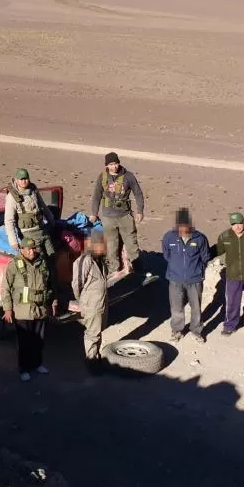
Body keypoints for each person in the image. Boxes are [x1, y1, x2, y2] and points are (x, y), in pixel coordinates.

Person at [1, 237, 56, 381]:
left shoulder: (42, 262)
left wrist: (52, 302)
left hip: (40, 309)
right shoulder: (15, 264)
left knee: (39, 340)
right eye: (29, 249)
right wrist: (7, 309)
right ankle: (23, 368)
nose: (32, 251)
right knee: (24, 342)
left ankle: (37, 364)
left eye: (34, 248)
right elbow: (5, 287)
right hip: (22, 311)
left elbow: (49, 284)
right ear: (22, 250)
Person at [88, 152, 149, 279]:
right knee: (111, 245)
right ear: (107, 165)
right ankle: (114, 270)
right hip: (108, 217)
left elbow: (138, 193)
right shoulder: (102, 177)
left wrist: (140, 211)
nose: (114, 166)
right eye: (111, 164)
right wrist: (94, 214)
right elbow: (96, 196)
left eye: (115, 163)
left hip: (125, 216)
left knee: (131, 243)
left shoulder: (128, 176)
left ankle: (138, 269)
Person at [161, 208, 210, 343]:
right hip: (175, 279)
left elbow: (205, 257)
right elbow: (166, 255)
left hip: (194, 279)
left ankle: (196, 331)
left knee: (196, 307)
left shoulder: (200, 238)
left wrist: (198, 270)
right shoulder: (169, 237)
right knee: (176, 307)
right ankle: (177, 331)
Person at [71, 230, 110, 369]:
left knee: (98, 331)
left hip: (101, 303)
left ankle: (96, 355)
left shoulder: (99, 260)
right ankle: (91, 361)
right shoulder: (84, 261)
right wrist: (83, 300)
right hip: (92, 304)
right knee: (92, 333)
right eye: (100, 244)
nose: (103, 247)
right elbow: (77, 284)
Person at [4, 168, 55, 258]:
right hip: (28, 235)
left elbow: (42, 205)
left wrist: (51, 219)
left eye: (26, 179)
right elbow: (9, 220)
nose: (24, 181)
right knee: (40, 260)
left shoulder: (33, 190)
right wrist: (13, 242)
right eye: (21, 179)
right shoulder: (12, 197)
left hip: (42, 229)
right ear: (16, 180)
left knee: (52, 255)